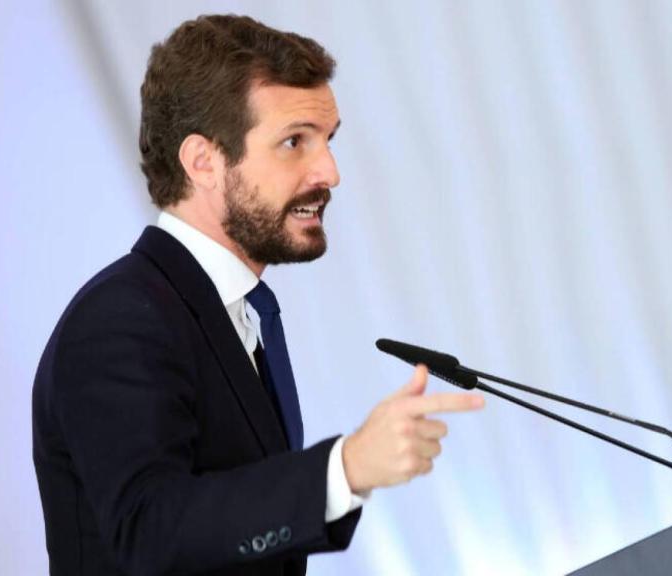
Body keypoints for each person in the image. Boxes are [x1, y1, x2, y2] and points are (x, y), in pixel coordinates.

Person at [32, 14, 484, 576]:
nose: (330, 172)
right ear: (204, 162)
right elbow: (149, 530)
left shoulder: (238, 310)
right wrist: (343, 470)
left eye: (328, 141)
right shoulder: (118, 320)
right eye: (294, 142)